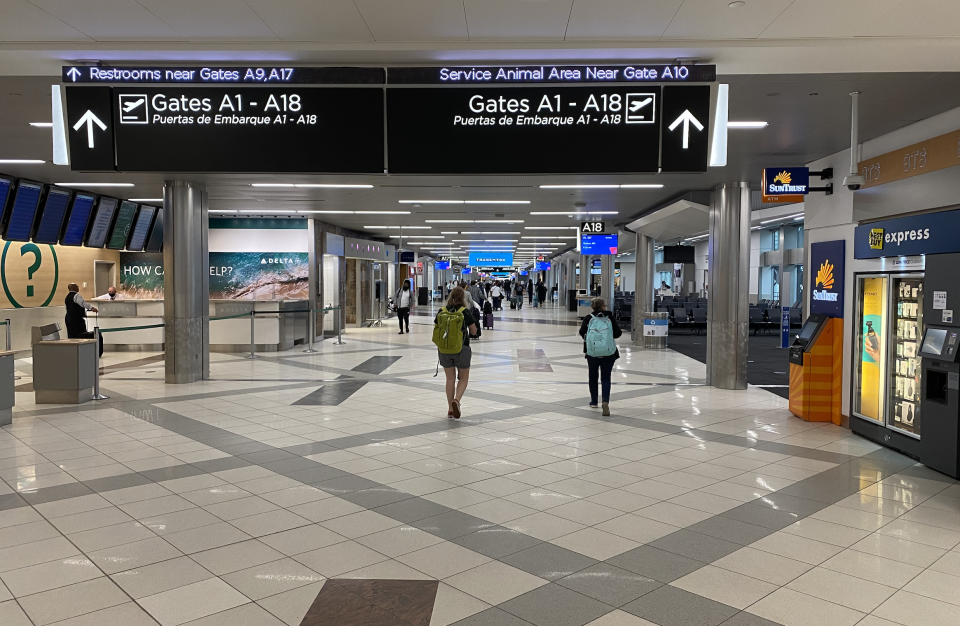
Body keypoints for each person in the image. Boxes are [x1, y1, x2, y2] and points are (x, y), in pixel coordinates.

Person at [433, 286, 477, 419]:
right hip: (462, 349)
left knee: (450, 379)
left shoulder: (442, 310)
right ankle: (456, 401)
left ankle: (450, 409)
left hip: (444, 349)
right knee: (463, 378)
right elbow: (474, 332)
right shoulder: (465, 312)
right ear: (463, 298)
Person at [579, 298, 622, 416]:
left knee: (593, 376)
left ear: (592, 307)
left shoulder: (588, 318)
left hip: (592, 353)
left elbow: (581, 331)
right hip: (608, 353)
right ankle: (605, 401)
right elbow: (618, 333)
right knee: (606, 378)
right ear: (603, 306)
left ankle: (593, 401)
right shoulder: (609, 317)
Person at [64, 283, 103, 356]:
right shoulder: (77, 296)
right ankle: (82, 352)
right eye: (77, 286)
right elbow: (83, 303)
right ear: (74, 288)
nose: (78, 287)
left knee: (71, 335)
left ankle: (73, 352)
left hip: (68, 318)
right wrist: (92, 308)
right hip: (76, 319)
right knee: (80, 334)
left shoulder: (67, 297)